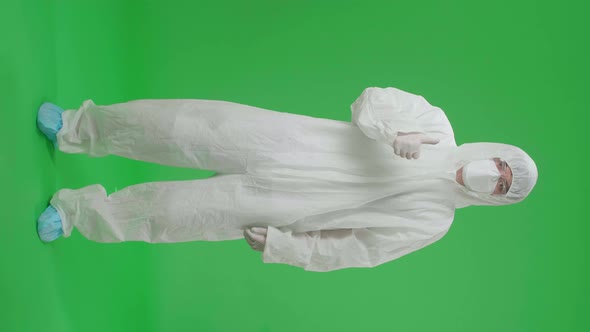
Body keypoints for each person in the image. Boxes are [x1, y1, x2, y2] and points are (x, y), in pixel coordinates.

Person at [36, 87, 538, 272]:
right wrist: (395, 131)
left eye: (500, 184)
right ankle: (79, 127)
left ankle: (78, 213)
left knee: (175, 215)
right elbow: (367, 101)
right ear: (491, 152)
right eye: (498, 165)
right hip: (282, 141)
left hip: (281, 203)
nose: (490, 176)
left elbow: (359, 249)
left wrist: (288, 247)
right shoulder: (435, 128)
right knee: (178, 126)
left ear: (494, 199)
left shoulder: (433, 221)